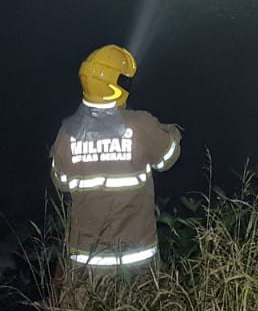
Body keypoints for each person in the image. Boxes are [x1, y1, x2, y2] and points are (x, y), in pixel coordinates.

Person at [50, 45, 180, 272]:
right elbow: (167, 158)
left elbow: (60, 182)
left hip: (86, 268)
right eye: (126, 82)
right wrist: (171, 132)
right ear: (115, 86)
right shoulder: (141, 125)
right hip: (136, 266)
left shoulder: (66, 133)